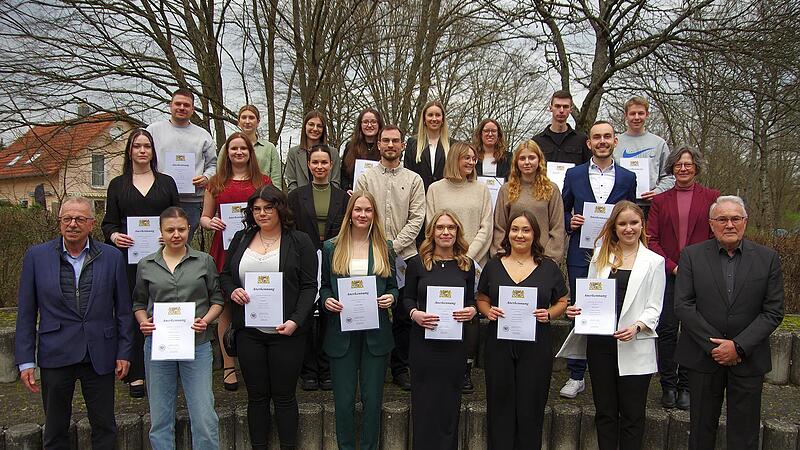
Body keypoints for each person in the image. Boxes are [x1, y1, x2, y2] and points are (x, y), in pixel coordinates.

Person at [15, 197, 133, 450]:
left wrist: (124, 351)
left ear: (91, 224)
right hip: (55, 352)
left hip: (99, 353)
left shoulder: (112, 257)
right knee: (55, 431)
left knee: (104, 428)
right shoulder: (36, 256)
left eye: (80, 219)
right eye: (67, 218)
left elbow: (123, 310)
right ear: (59, 222)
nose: (72, 224)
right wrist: (25, 360)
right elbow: (26, 312)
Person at [675, 196, 784, 450]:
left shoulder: (767, 258)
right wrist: (716, 347)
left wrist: (738, 346)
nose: (729, 224)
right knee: (701, 433)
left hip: (748, 359)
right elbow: (683, 305)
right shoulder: (691, 256)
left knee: (744, 436)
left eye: (736, 218)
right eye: (722, 219)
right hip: (703, 359)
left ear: (745, 222)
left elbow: (773, 311)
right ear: (711, 224)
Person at [558, 200, 665, 450]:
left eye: (634, 223)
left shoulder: (654, 262)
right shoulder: (600, 255)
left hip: (634, 343)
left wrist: (638, 326)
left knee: (633, 415)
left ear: (642, 225)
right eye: (622, 224)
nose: (629, 228)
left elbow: (654, 307)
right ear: (614, 227)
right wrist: (578, 309)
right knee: (605, 413)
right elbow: (591, 295)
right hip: (601, 344)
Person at [220, 185, 318, 450]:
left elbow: (310, 286)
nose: (262, 214)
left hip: (287, 332)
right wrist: (233, 291)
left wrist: (296, 320)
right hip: (249, 332)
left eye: (268, 208)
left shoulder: (299, 241)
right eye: (256, 209)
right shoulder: (241, 237)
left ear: (280, 209)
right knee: (256, 397)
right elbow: (226, 275)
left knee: (285, 397)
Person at [477, 211, 569, 449]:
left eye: (526, 230)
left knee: (531, 407)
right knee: (500, 405)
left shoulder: (548, 267)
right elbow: (482, 298)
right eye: (515, 229)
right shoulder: (494, 266)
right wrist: (488, 312)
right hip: (499, 344)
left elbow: (563, 301)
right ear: (508, 233)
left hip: (536, 346)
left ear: (535, 235)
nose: (520, 234)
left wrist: (549, 314)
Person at [133, 206, 223, 450]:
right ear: (160, 231)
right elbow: (139, 303)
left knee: (204, 415)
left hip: (197, 344)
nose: (176, 234)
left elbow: (217, 300)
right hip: (159, 347)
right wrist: (143, 321)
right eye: (170, 230)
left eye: (181, 229)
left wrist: (206, 319)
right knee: (160, 418)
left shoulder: (204, 261)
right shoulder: (146, 264)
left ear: (189, 230)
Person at [560, 120, 637, 399]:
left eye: (607, 136)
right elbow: (562, 210)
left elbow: (634, 215)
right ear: (589, 143)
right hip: (582, 253)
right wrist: (572, 220)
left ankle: (610, 370)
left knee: (616, 309)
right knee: (580, 309)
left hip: (618, 255)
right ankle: (576, 374)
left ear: (615, 141)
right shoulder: (575, 174)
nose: (602, 141)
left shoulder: (628, 178)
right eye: (596, 137)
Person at [102, 128, 180, 398]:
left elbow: (177, 218)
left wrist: (170, 234)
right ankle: (136, 372)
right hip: (130, 260)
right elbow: (108, 223)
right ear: (130, 151)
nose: (142, 151)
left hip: (164, 257)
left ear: (153, 151)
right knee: (134, 309)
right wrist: (115, 236)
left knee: (165, 305)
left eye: (147, 146)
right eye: (137, 146)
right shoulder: (117, 185)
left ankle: (169, 366)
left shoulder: (167, 182)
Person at [320, 191, 399, 450]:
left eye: (368, 210)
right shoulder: (331, 246)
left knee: (372, 400)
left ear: (374, 215)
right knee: (343, 402)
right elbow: (323, 288)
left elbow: (393, 287)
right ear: (350, 214)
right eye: (358, 210)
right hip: (341, 333)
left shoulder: (384, 247)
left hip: (375, 334)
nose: (362, 214)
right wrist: (327, 300)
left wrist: (390, 297)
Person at [647, 146, 719, 410]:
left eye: (688, 164)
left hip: (701, 277)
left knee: (692, 331)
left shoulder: (712, 198)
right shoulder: (660, 201)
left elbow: (716, 236)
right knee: (666, 331)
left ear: (696, 167)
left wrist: (697, 268)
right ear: (671, 168)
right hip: (668, 275)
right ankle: (667, 384)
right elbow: (651, 239)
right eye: (678, 164)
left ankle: (685, 386)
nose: (683, 168)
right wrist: (673, 266)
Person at [355, 125, 425, 390]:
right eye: (386, 140)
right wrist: (378, 246)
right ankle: (372, 365)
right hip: (369, 254)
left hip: (405, 256)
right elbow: (359, 213)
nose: (391, 145)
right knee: (372, 309)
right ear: (379, 145)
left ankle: (400, 367)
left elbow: (417, 218)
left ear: (402, 146)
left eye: (396, 141)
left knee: (404, 315)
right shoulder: (366, 178)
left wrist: (392, 246)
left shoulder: (414, 180)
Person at [201, 131, 271, 391]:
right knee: (226, 307)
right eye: (233, 149)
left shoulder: (261, 181)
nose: (239, 152)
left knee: (257, 299)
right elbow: (204, 218)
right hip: (225, 248)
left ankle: (256, 361)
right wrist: (211, 223)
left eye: (243, 148)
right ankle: (229, 365)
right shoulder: (216, 182)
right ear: (226, 153)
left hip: (257, 248)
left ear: (250, 153)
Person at [403, 210, 477, 450]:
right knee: (423, 406)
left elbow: (471, 301)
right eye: (440, 227)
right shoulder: (417, 263)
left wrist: (473, 310)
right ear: (432, 232)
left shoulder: (466, 266)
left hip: (453, 348)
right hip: (424, 347)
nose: (446, 232)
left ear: (457, 233)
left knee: (449, 406)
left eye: (451, 228)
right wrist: (415, 314)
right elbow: (407, 299)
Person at [287, 144, 348, 391]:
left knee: (329, 314)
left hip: (334, 259)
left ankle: (326, 367)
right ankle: (308, 369)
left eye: (324, 163)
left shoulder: (343, 197)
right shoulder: (295, 196)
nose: (320, 167)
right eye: (315, 163)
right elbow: (289, 229)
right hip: (304, 258)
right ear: (308, 165)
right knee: (304, 314)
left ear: (331, 165)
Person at [147, 88, 217, 241]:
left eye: (186, 105)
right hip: (158, 197)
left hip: (191, 201)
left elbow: (214, 165)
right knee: (155, 243)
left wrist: (206, 177)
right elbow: (142, 159)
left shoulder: (203, 135)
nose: (182, 108)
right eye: (178, 104)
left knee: (183, 244)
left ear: (192, 109)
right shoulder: (153, 130)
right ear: (170, 105)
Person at [491, 140, 565, 262]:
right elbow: (499, 226)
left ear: (539, 160)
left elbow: (557, 227)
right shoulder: (506, 189)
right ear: (516, 162)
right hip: (511, 257)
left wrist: (550, 258)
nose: (527, 162)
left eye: (531, 158)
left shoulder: (551, 189)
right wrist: (501, 254)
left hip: (542, 258)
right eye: (522, 158)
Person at [426, 141, 493, 266]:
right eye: (467, 158)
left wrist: (468, 257)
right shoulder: (435, 189)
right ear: (454, 159)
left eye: (474, 159)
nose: (471, 162)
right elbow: (431, 228)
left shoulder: (482, 189)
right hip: (443, 261)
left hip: (475, 261)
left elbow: (486, 228)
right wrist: (449, 258)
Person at [613, 96, 674, 213]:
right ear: (625, 115)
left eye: (640, 113)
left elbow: (669, 177)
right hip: (621, 205)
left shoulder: (659, 143)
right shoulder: (615, 143)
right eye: (632, 114)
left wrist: (657, 191)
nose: (636, 117)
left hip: (651, 206)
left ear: (647, 114)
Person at [225, 104, 283, 186]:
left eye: (251, 118)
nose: (247, 121)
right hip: (234, 195)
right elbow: (221, 173)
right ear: (239, 121)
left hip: (263, 194)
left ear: (258, 121)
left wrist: (275, 197)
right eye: (244, 117)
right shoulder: (228, 147)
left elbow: (276, 179)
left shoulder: (269, 148)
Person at [284, 110, 342, 192]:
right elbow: (292, 183)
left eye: (319, 126)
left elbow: (335, 182)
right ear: (305, 126)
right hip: (299, 201)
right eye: (311, 124)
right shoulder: (293, 153)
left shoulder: (333, 153)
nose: (315, 129)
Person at [532, 90, 591, 166]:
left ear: (571, 110)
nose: (561, 110)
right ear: (550, 108)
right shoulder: (537, 142)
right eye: (557, 106)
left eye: (565, 107)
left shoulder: (582, 140)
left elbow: (588, 168)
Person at [404, 100, 452, 191]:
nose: (434, 119)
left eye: (438, 115)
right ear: (424, 119)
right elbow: (408, 174)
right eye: (430, 115)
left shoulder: (452, 145)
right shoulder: (412, 143)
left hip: (445, 197)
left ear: (442, 119)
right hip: (419, 196)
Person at [340, 108, 383, 191]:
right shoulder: (350, 147)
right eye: (365, 122)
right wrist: (346, 189)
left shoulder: (384, 148)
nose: (369, 125)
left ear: (379, 125)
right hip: (355, 197)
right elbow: (344, 175)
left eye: (373, 122)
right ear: (360, 125)